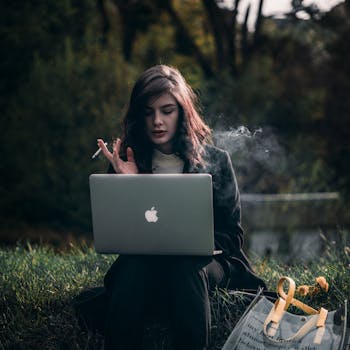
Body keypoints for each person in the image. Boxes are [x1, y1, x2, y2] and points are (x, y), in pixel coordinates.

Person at [81, 65, 266, 350]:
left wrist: (193, 243)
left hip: (205, 265)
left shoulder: (215, 161)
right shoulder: (127, 161)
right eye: (148, 111)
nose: (157, 120)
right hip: (145, 263)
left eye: (167, 110)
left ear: (182, 111)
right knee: (133, 267)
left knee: (184, 265)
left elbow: (232, 236)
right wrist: (134, 184)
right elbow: (119, 232)